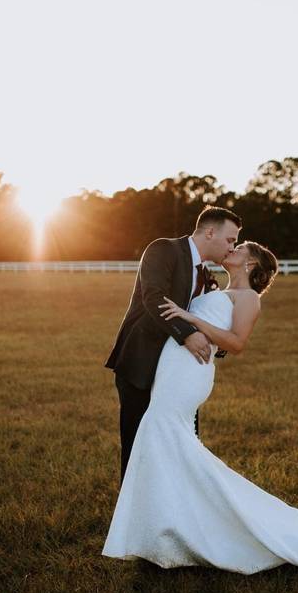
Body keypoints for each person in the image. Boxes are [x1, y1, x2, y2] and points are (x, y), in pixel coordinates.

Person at [102, 241, 298, 578]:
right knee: (166, 441)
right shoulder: (214, 286)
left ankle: (177, 527)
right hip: (173, 367)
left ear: (251, 264)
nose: (232, 249)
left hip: (189, 372)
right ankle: (168, 525)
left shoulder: (249, 298)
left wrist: (189, 319)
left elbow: (236, 343)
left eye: (238, 248)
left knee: (163, 432)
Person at [105, 206, 241, 482]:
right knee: (137, 438)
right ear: (210, 232)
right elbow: (153, 297)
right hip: (141, 360)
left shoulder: (204, 273)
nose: (232, 247)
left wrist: (216, 340)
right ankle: (132, 510)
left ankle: (178, 502)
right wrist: (187, 334)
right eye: (230, 240)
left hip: (177, 370)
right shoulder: (163, 249)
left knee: (182, 436)